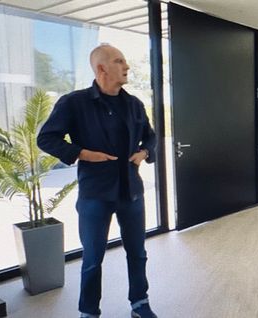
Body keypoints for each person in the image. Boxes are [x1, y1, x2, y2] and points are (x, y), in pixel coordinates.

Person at [37, 44, 158, 318]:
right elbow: (46, 138)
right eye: (119, 61)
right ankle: (89, 311)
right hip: (94, 195)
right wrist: (81, 153)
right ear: (102, 68)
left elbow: (151, 136)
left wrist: (145, 152)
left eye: (125, 61)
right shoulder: (73, 103)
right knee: (92, 259)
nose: (127, 67)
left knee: (137, 253)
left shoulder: (134, 104)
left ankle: (140, 303)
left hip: (131, 193)